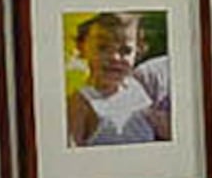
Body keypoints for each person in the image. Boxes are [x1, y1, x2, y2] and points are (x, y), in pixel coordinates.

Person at [65, 11, 171, 147]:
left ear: (138, 52)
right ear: (82, 47)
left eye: (126, 50)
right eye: (102, 47)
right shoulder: (82, 102)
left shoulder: (136, 89)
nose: (114, 57)